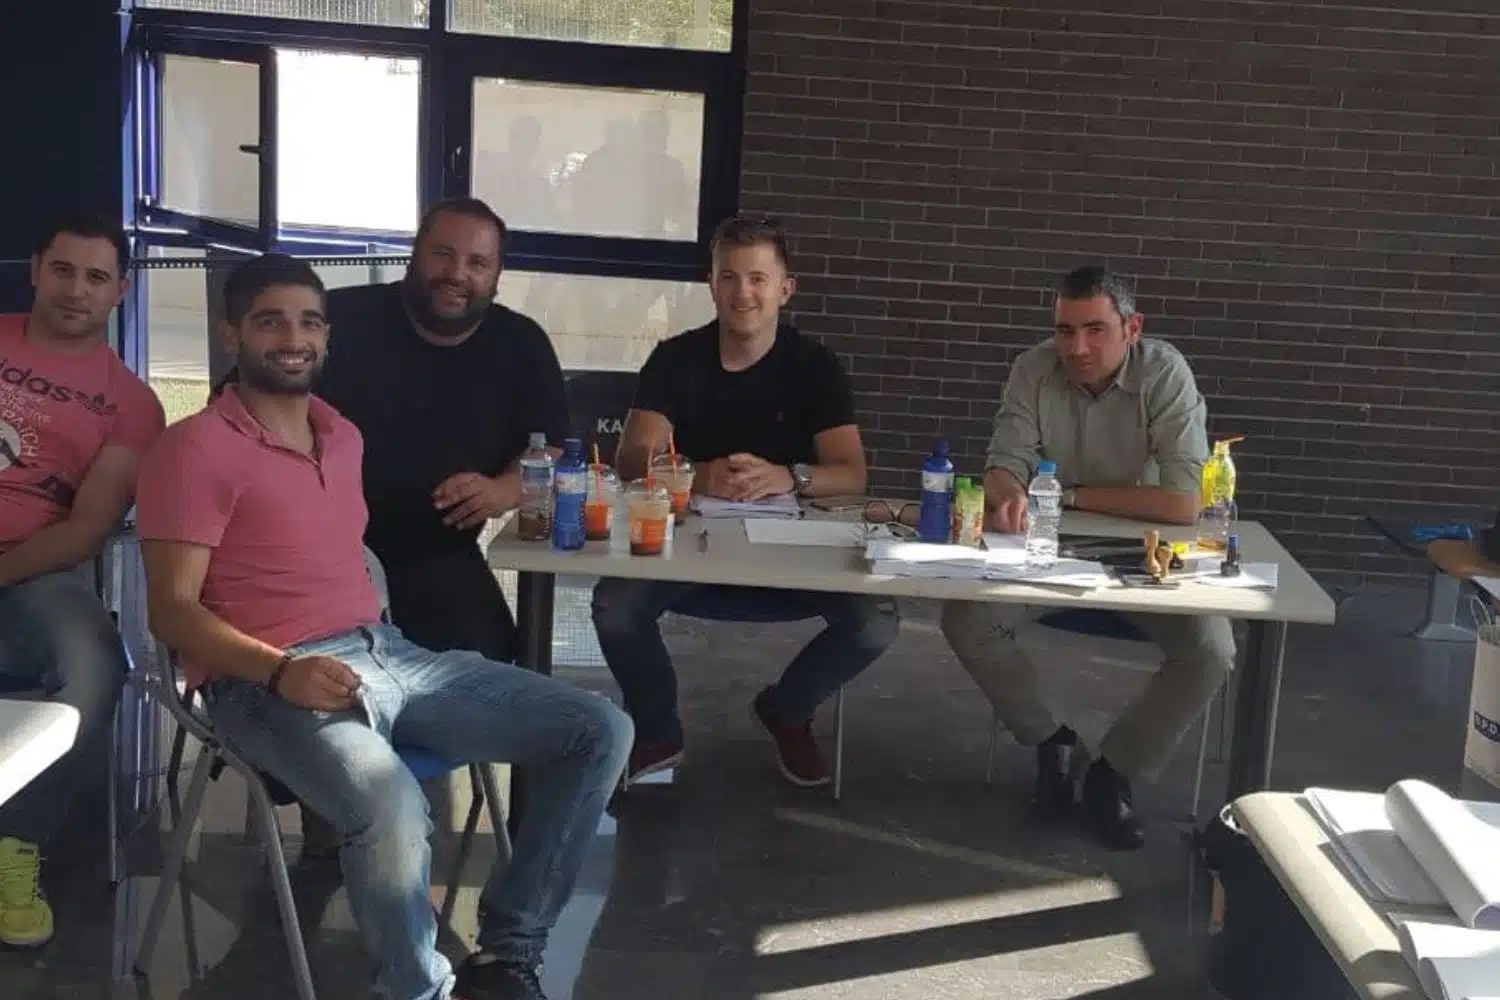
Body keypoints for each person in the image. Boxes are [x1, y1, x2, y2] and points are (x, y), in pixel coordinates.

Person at [136, 254, 630, 1000]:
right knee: (391, 805)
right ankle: (415, 988)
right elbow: (171, 611)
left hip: (385, 655)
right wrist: (280, 670)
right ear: (231, 333)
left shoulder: (341, 437)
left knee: (599, 730)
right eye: (270, 321)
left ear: (327, 337)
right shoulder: (193, 449)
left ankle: (508, 955)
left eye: (309, 322)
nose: (293, 338)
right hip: (261, 681)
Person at [591, 216, 900, 790]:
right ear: (711, 286)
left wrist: (788, 476)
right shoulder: (676, 359)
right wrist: (698, 474)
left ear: (786, 288)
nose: (743, 293)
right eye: (729, 277)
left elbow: (851, 475)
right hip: (691, 548)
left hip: (791, 550)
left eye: (758, 278)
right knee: (615, 605)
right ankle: (656, 731)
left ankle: (787, 708)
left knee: (876, 621)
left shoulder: (814, 366)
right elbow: (632, 458)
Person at [940, 265, 1235, 850]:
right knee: (967, 619)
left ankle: (1115, 772)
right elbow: (1005, 460)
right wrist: (1008, 492)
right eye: (1065, 331)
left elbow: (1182, 503)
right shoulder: (1033, 368)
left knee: (1212, 650)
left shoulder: (1165, 372)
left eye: (1095, 330)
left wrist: (1065, 495)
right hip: (1048, 547)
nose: (1076, 348)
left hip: (1147, 555)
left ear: (1133, 328)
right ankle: (1053, 743)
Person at [0, 214, 165, 948]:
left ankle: (14, 847)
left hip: (35, 570)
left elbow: (88, 527)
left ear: (119, 291)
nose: (76, 289)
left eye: (96, 277)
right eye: (63, 270)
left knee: (98, 665)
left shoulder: (133, 404)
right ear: (37, 270)